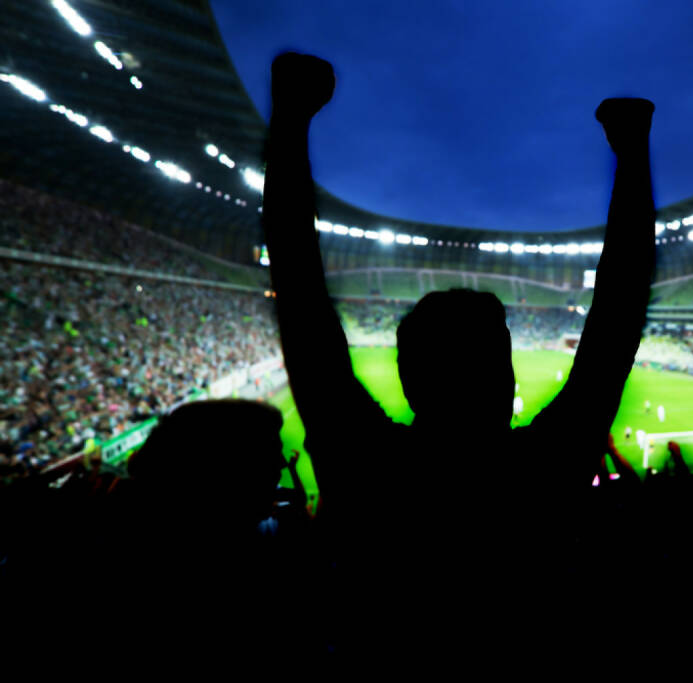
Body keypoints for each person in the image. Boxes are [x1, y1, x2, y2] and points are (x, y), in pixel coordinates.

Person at [262, 52, 655, 588]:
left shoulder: (365, 466)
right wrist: (633, 152)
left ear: (407, 378)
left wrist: (291, 118)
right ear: (507, 377)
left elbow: (303, 307)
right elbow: (617, 320)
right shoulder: (545, 471)